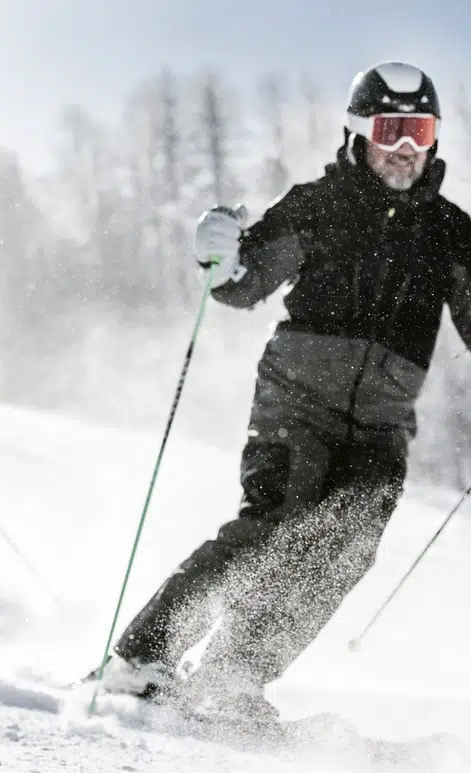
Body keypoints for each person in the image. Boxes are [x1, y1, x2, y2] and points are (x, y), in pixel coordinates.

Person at [92, 62, 471, 715]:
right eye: (391, 129)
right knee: (275, 523)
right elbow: (240, 281)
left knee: (344, 548)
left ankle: (230, 676)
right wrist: (218, 251)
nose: (406, 148)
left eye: (419, 131)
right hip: (299, 392)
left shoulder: (449, 230)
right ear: (359, 131)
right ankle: (141, 657)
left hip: (381, 418)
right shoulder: (319, 203)